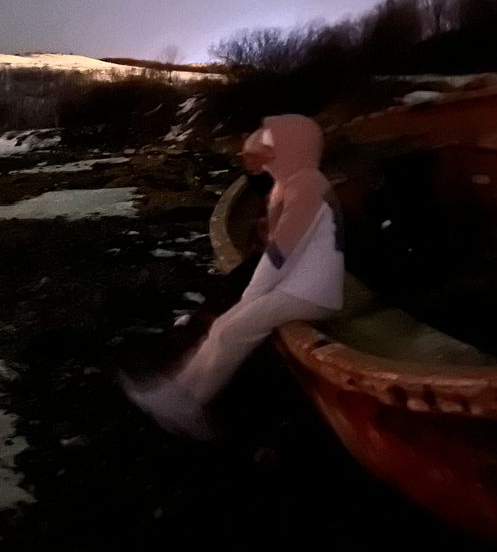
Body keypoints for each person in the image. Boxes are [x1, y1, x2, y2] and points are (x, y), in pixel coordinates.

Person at [123, 113, 344, 438]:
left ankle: (189, 403)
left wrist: (250, 297)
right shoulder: (300, 183)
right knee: (226, 327)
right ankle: (180, 394)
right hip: (299, 287)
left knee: (232, 330)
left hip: (310, 293)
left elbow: (279, 255)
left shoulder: (306, 187)